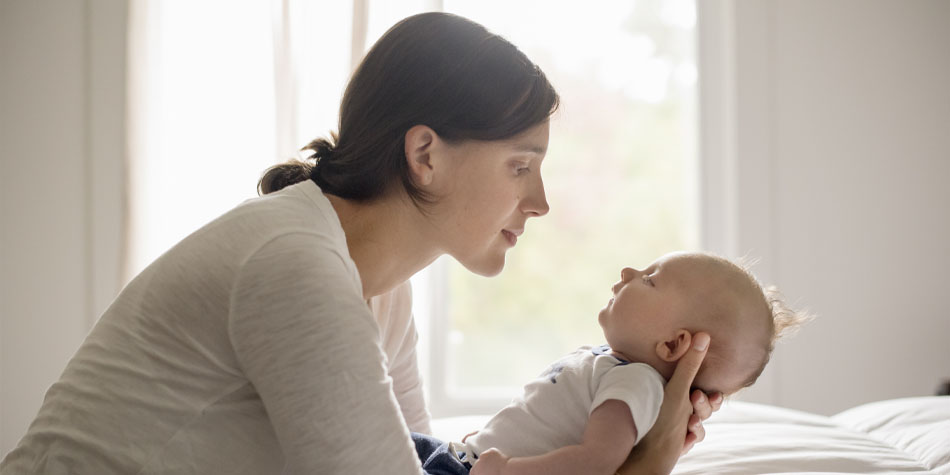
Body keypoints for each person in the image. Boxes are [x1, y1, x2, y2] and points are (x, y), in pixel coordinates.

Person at [0, 12, 720, 475]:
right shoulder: (296, 267)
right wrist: (643, 466)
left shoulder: (377, 287)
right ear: (425, 153)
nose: (540, 201)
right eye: (520, 165)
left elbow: (416, 462)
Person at [414, 251, 809, 475]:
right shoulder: (613, 366)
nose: (628, 272)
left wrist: (508, 472)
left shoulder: (635, 384)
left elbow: (596, 461)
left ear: (674, 344)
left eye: (650, 279)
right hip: (460, 455)